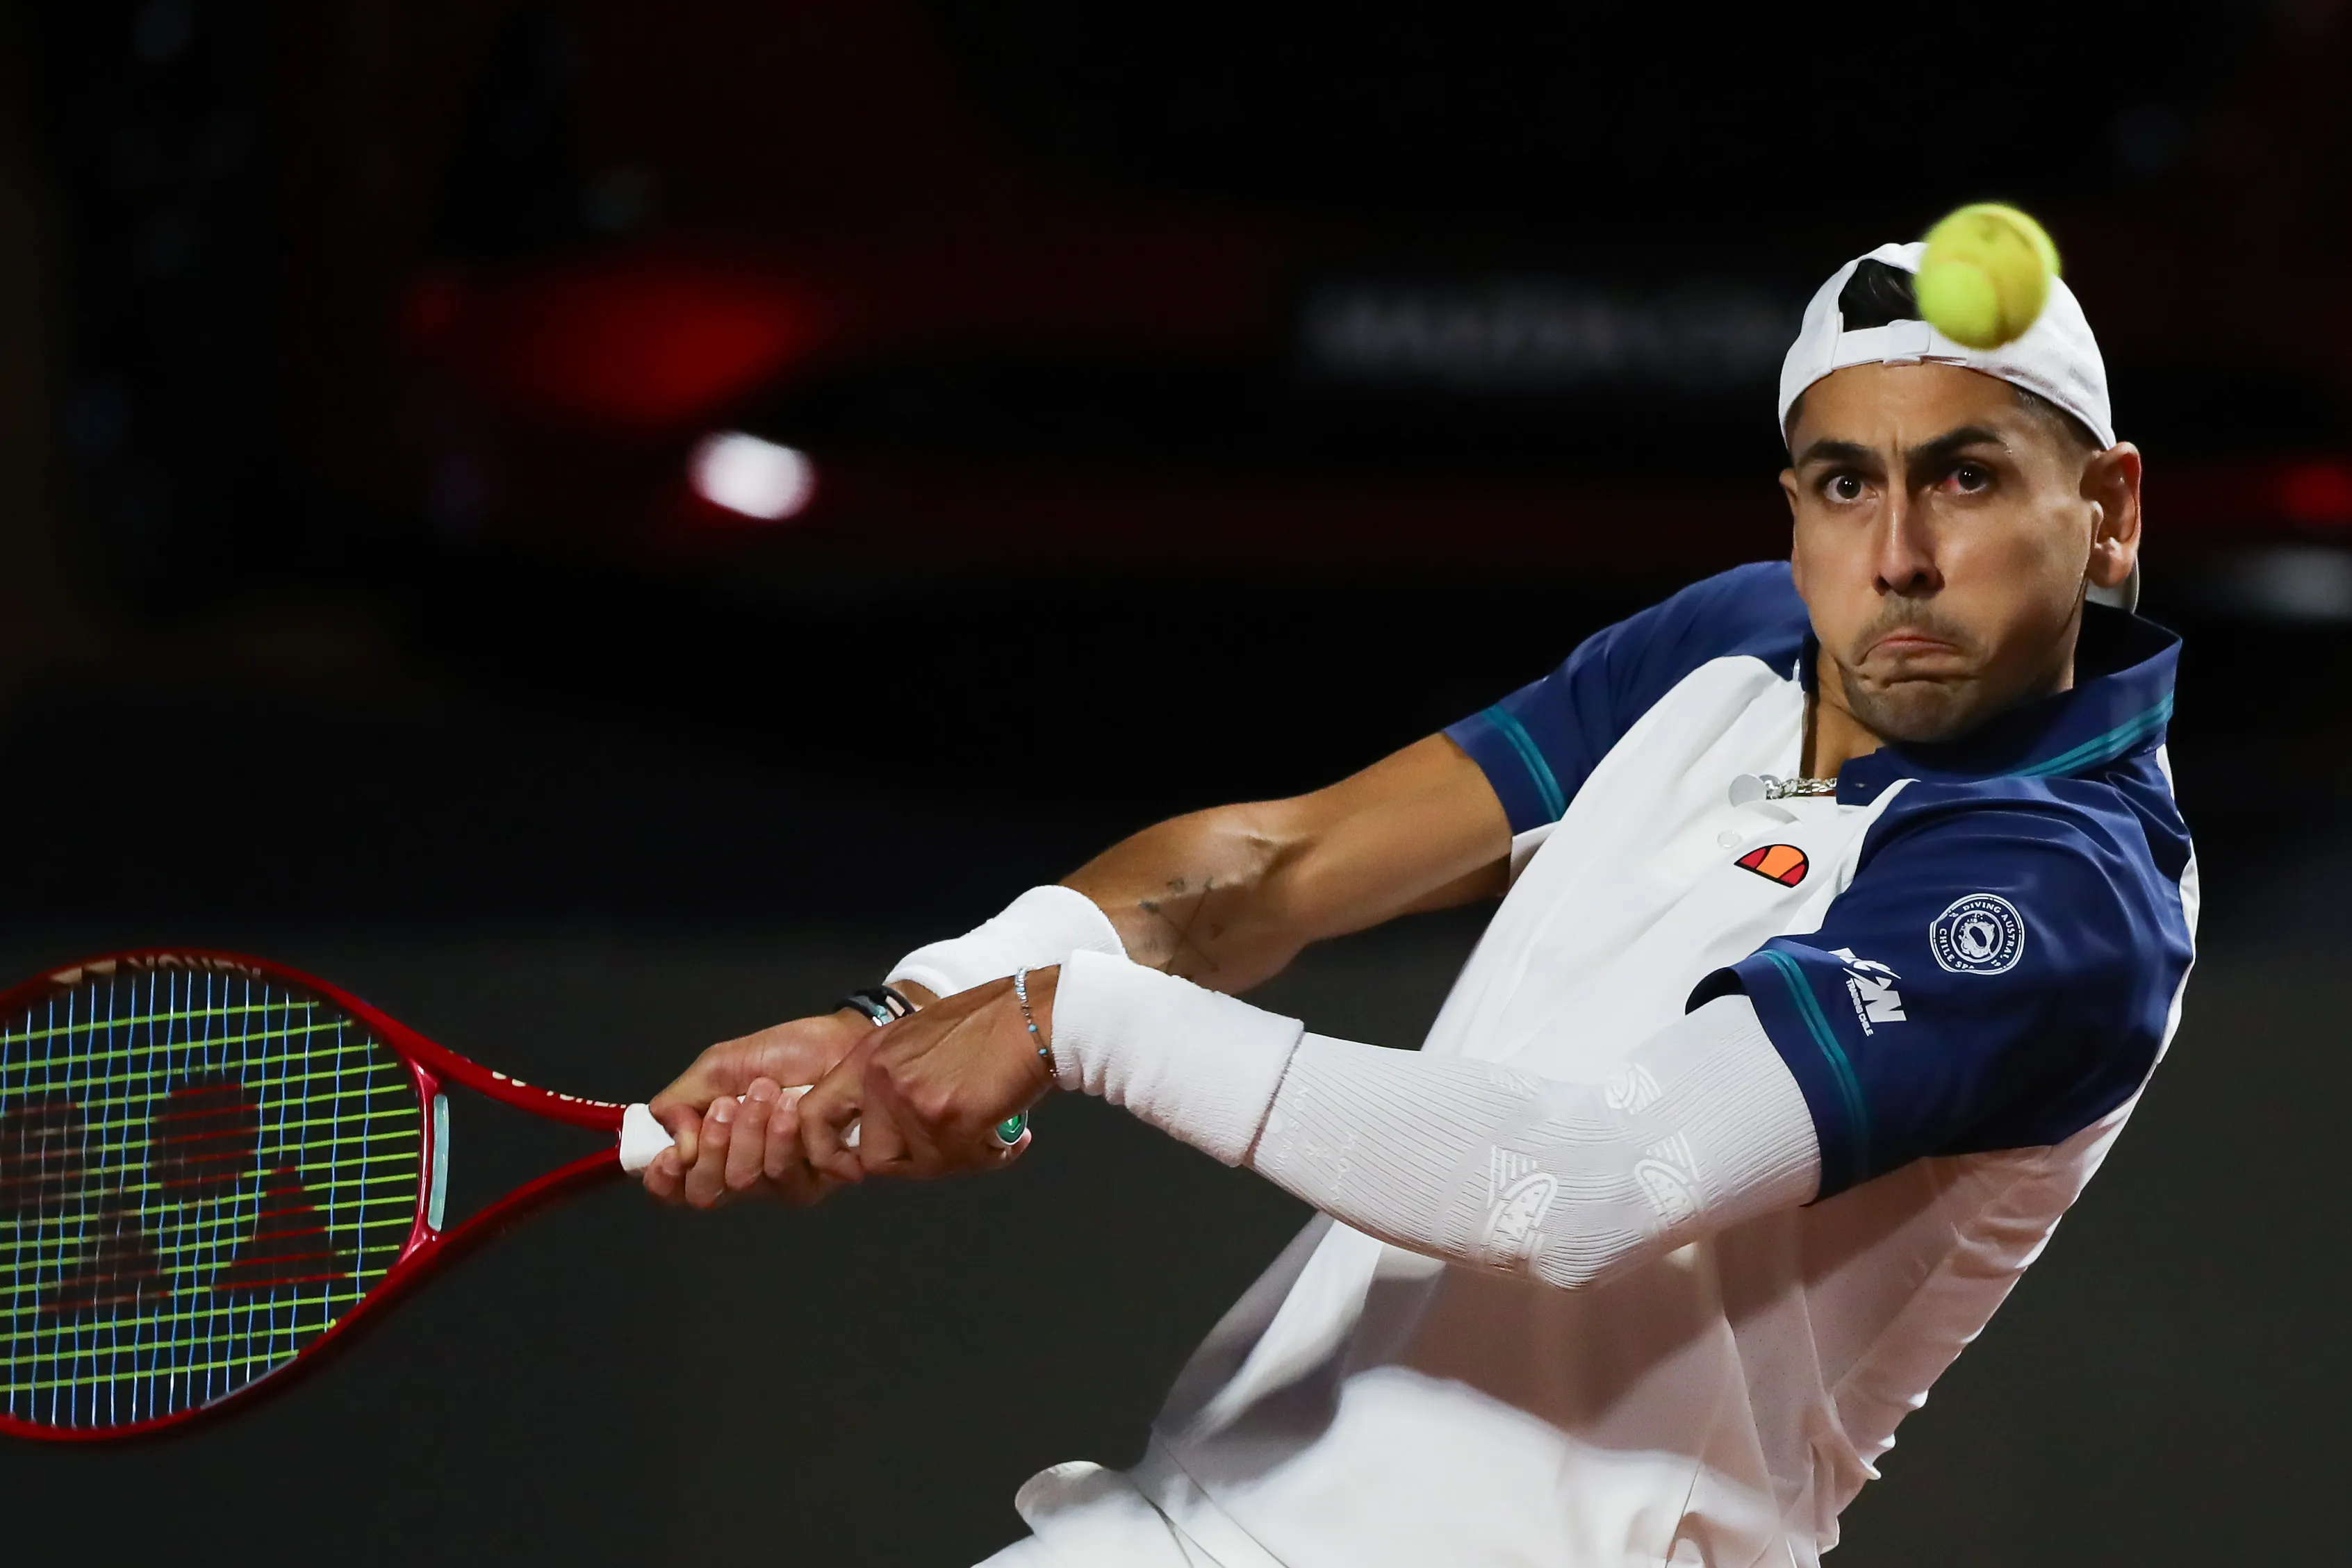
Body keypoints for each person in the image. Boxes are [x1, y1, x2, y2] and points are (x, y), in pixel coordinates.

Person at [636, 240, 2194, 1567]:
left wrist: (1067, 1020)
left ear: (2109, 509)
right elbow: (1270, 872)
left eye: (1967, 479)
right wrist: (907, 1017)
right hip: (1215, 1513)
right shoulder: (1742, 640)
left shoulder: (2061, 894)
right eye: (1845, 484)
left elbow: (1581, 1193)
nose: (1897, 558)